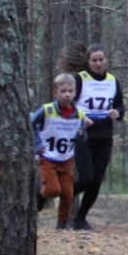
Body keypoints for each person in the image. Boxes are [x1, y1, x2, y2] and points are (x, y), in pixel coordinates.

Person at [69, 45, 122, 231]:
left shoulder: (113, 81)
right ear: (88, 61)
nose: (98, 63)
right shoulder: (80, 79)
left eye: (101, 59)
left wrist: (118, 112)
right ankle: (63, 195)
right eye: (94, 60)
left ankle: (80, 219)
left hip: (105, 136)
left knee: (96, 181)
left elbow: (120, 107)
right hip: (83, 135)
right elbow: (68, 104)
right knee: (86, 179)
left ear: (105, 59)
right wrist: (82, 118)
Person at [30, 73, 91, 231]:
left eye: (70, 91)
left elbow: (83, 137)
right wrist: (38, 145)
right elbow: (31, 124)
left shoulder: (79, 115)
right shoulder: (47, 110)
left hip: (66, 159)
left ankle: (62, 224)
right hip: (48, 157)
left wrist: (82, 133)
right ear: (55, 93)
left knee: (67, 194)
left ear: (75, 93)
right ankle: (38, 196)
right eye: (63, 91)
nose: (67, 95)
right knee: (53, 189)